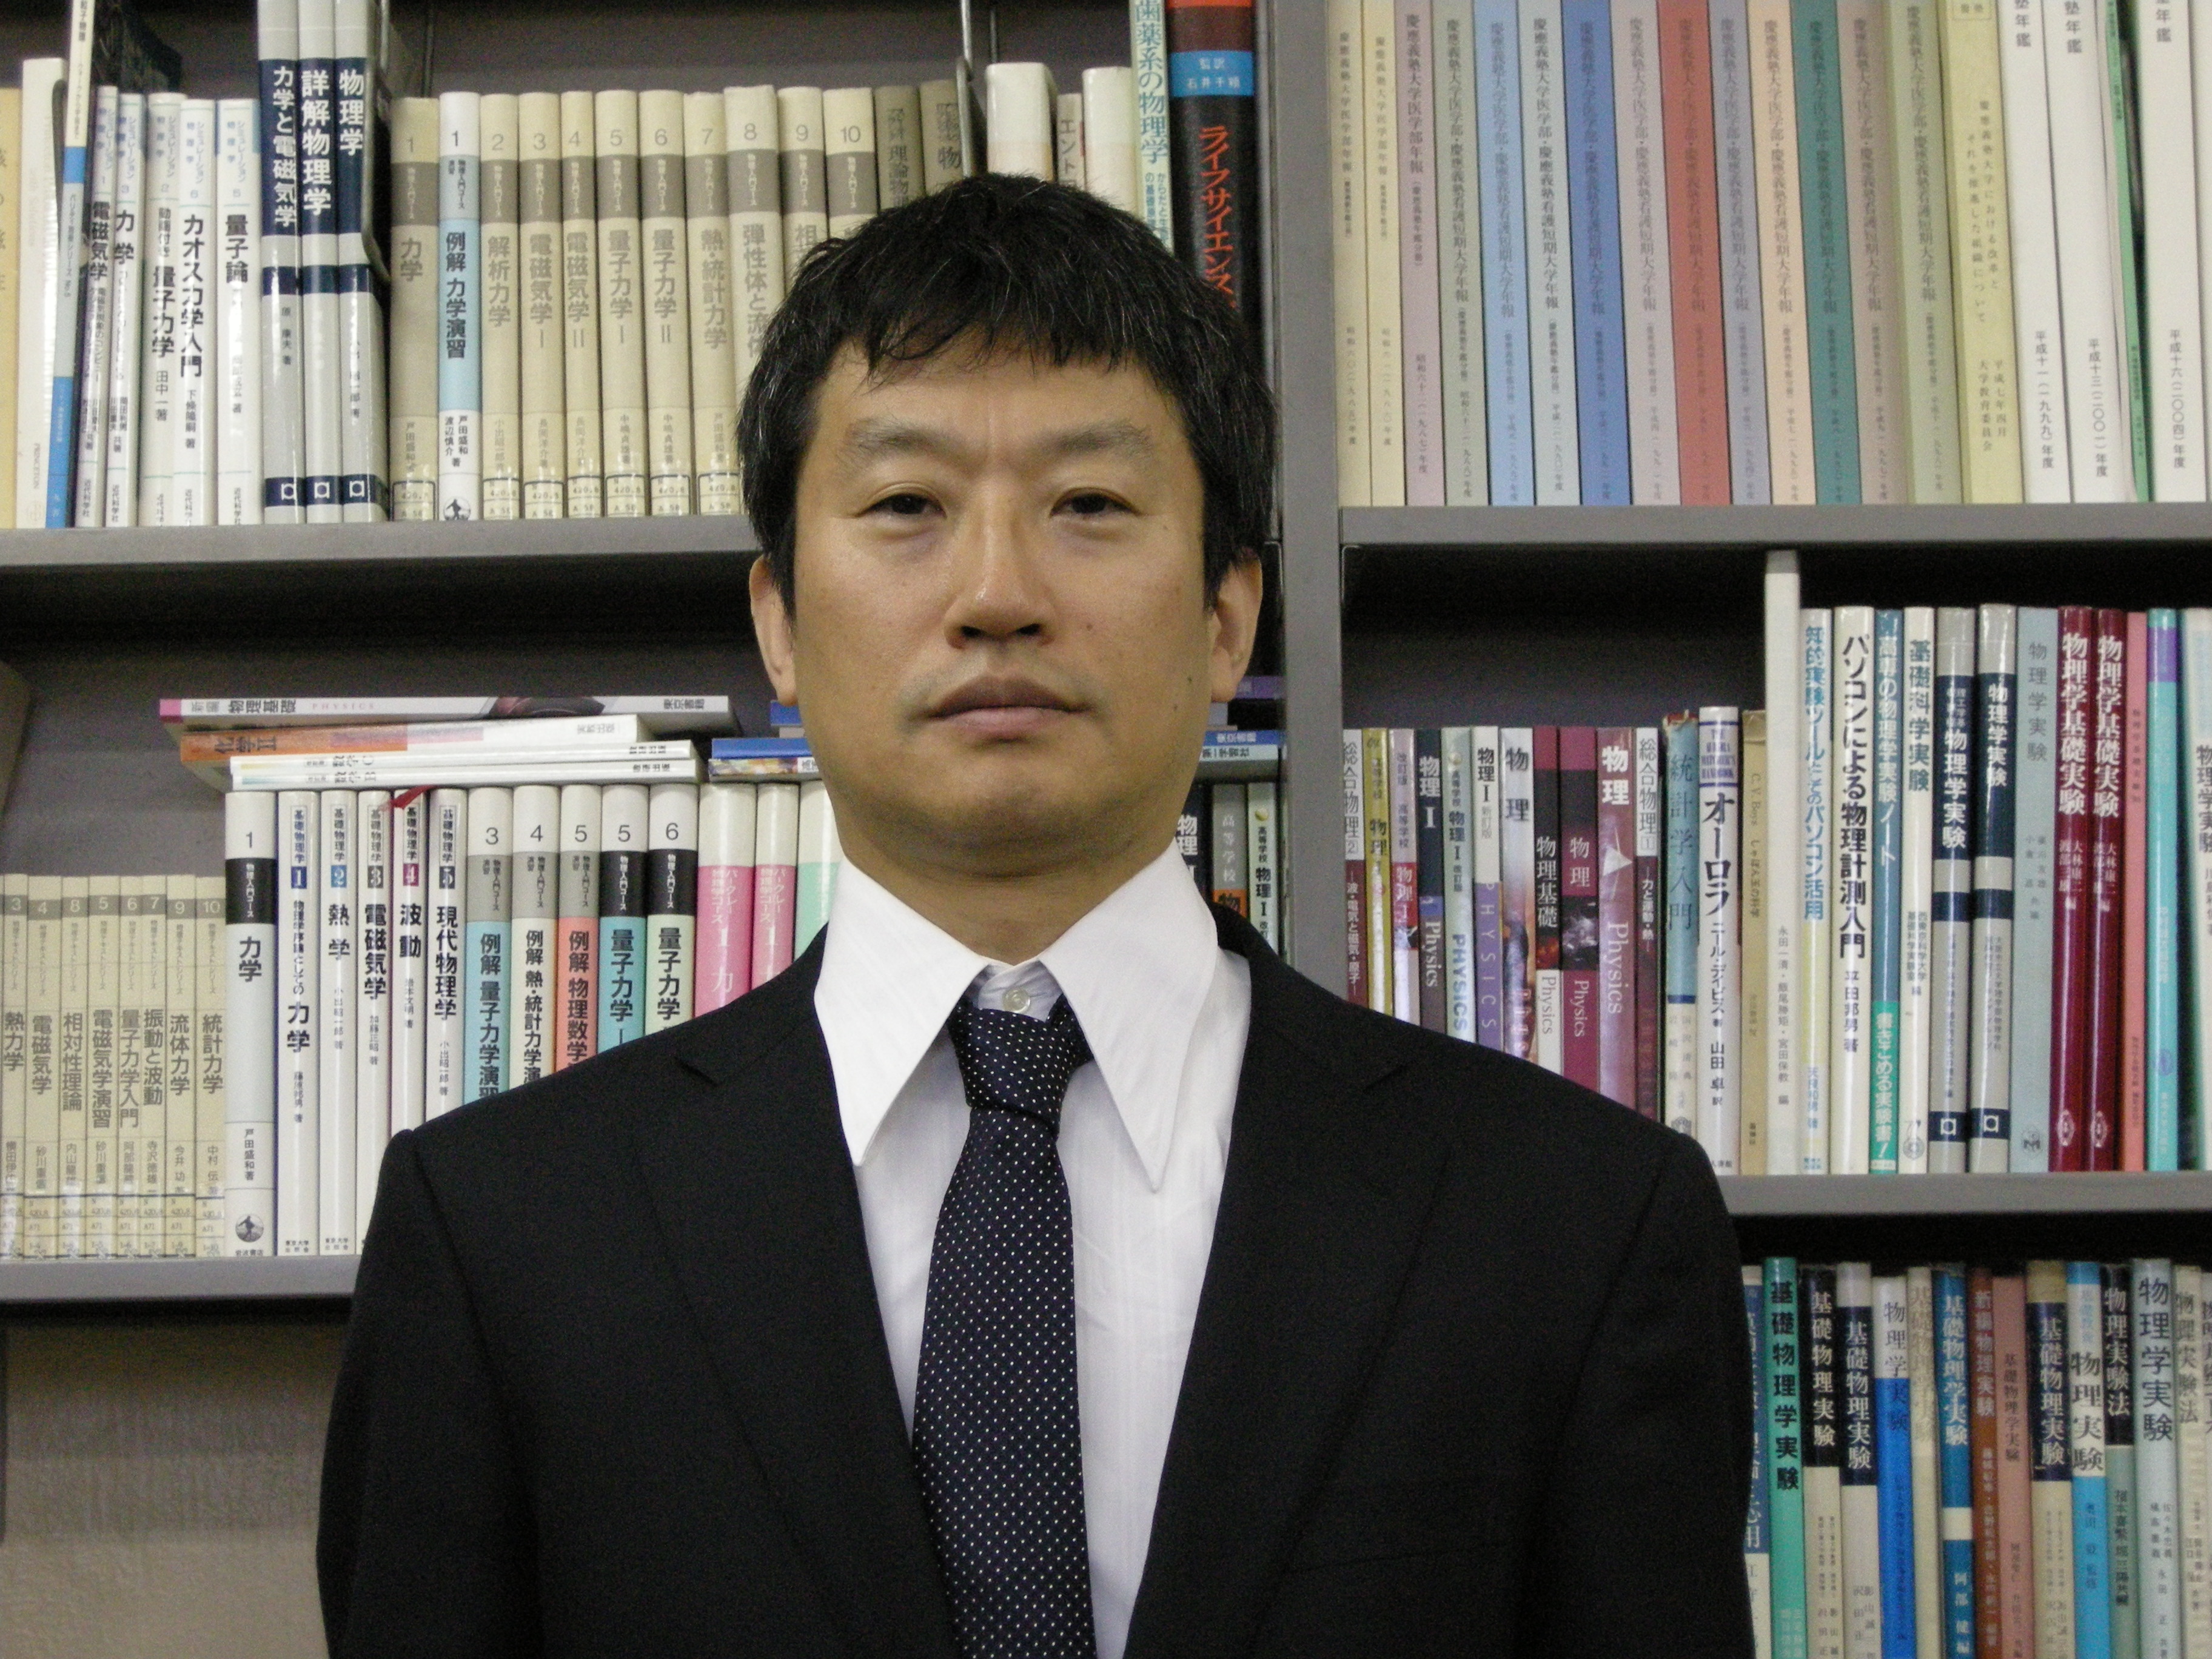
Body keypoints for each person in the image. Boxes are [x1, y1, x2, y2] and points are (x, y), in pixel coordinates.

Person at [318, 174, 1752, 1659]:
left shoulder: (1574, 1222)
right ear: (779, 624)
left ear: (1228, 618)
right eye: (906, 507)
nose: (997, 594)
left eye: (1089, 507)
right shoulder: (501, 1235)